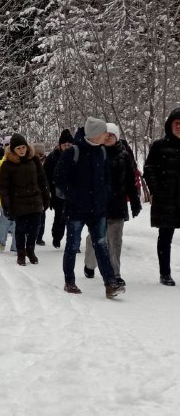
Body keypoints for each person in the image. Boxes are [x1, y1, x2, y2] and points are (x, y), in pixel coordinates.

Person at [54, 117, 125, 298]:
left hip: (98, 210)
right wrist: (76, 196)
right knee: (72, 245)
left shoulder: (101, 151)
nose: (107, 135)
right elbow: (59, 179)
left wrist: (105, 194)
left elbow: (106, 177)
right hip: (76, 210)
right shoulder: (73, 152)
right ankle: (69, 281)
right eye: (104, 133)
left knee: (101, 246)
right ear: (95, 134)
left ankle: (110, 284)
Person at [82, 124, 141, 284]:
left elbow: (130, 178)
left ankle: (115, 274)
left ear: (117, 137)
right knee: (96, 238)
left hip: (117, 204)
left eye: (111, 135)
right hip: (98, 205)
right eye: (105, 135)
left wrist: (135, 201)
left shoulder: (124, 154)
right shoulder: (94, 154)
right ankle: (90, 263)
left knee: (115, 241)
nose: (107, 138)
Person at [0, 133, 50, 266]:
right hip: (18, 202)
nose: (22, 150)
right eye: (18, 148)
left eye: (23, 147)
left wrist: (46, 197)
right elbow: (4, 188)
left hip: (35, 199)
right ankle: (21, 252)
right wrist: (7, 206)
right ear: (13, 150)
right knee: (20, 229)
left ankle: (30, 250)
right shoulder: (7, 165)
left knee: (34, 228)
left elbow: (42, 180)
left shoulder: (34, 160)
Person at [143, 108, 180, 286]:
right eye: (177, 124)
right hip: (166, 199)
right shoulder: (159, 146)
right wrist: (157, 190)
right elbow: (149, 169)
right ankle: (165, 273)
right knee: (165, 236)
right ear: (170, 125)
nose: (179, 127)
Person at [43, 129, 74, 248]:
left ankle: (73, 241)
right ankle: (57, 237)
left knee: (73, 219)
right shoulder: (52, 157)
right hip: (57, 193)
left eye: (69, 145)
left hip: (72, 192)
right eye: (64, 145)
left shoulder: (77, 155)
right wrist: (49, 191)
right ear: (60, 145)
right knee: (60, 217)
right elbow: (46, 175)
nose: (66, 147)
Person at [0, 136, 16, 252]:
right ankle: (1, 243)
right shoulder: (0, 163)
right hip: (4, 199)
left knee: (17, 223)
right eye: (7, 146)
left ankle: (16, 246)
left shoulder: (20, 163)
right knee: (5, 221)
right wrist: (5, 181)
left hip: (19, 198)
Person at [31, 142, 47, 246]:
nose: (39, 156)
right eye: (36, 154)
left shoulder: (47, 163)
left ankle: (39, 237)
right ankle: (32, 235)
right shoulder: (29, 163)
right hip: (32, 194)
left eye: (40, 154)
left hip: (43, 193)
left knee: (42, 216)